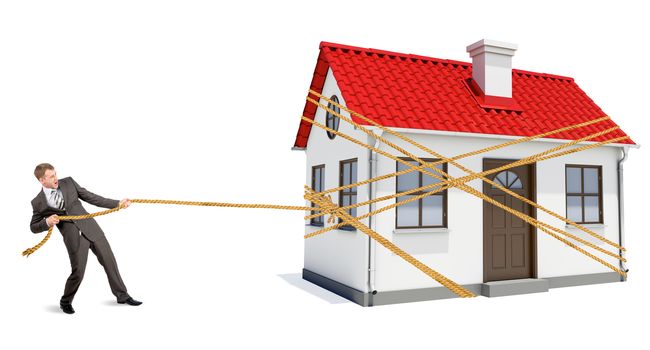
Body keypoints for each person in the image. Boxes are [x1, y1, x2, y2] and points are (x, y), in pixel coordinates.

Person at [29, 163, 142, 314]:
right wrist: (46, 222)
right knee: (78, 272)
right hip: (73, 238)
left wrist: (117, 204)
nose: (56, 178)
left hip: (91, 228)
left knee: (110, 262)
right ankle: (65, 301)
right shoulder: (38, 202)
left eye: (55, 174)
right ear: (42, 180)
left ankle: (122, 295)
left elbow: (91, 197)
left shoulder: (68, 182)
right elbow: (33, 226)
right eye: (51, 176)